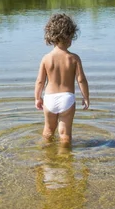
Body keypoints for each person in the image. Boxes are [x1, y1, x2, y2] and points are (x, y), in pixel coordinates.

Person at [35, 13, 90, 147]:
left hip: (49, 99)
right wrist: (86, 97)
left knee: (48, 130)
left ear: (51, 37)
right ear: (70, 36)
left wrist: (37, 97)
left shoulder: (46, 58)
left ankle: (47, 155)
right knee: (65, 134)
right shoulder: (73, 58)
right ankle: (65, 160)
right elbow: (81, 80)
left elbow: (40, 81)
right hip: (67, 98)